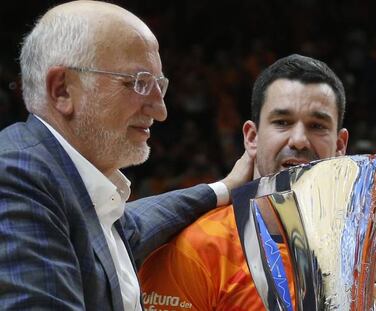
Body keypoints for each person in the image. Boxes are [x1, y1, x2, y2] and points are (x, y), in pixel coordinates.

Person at [0, 1, 253, 310]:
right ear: (62, 89)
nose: (160, 111)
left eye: (159, 86)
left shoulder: (68, 189)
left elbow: (137, 222)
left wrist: (224, 187)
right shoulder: (14, 176)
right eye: (138, 83)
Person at [139, 54, 376, 311]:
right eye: (282, 122)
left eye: (317, 126)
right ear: (252, 137)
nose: (299, 140)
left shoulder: (355, 243)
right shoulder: (196, 248)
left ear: (340, 145)